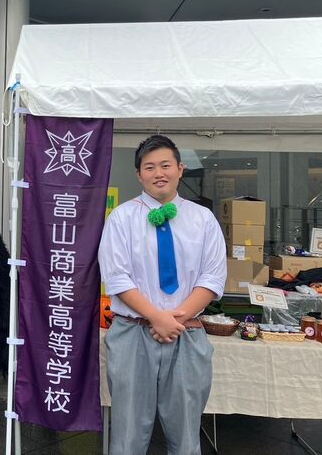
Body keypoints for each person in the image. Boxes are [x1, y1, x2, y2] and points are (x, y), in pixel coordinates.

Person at [98, 135, 227, 455]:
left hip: (187, 334)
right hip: (132, 333)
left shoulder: (203, 219)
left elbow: (212, 277)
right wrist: (157, 317)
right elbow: (115, 276)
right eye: (150, 166)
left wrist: (174, 320)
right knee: (127, 436)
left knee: (185, 437)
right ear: (139, 174)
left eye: (166, 165)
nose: (159, 172)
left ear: (180, 169)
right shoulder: (122, 218)